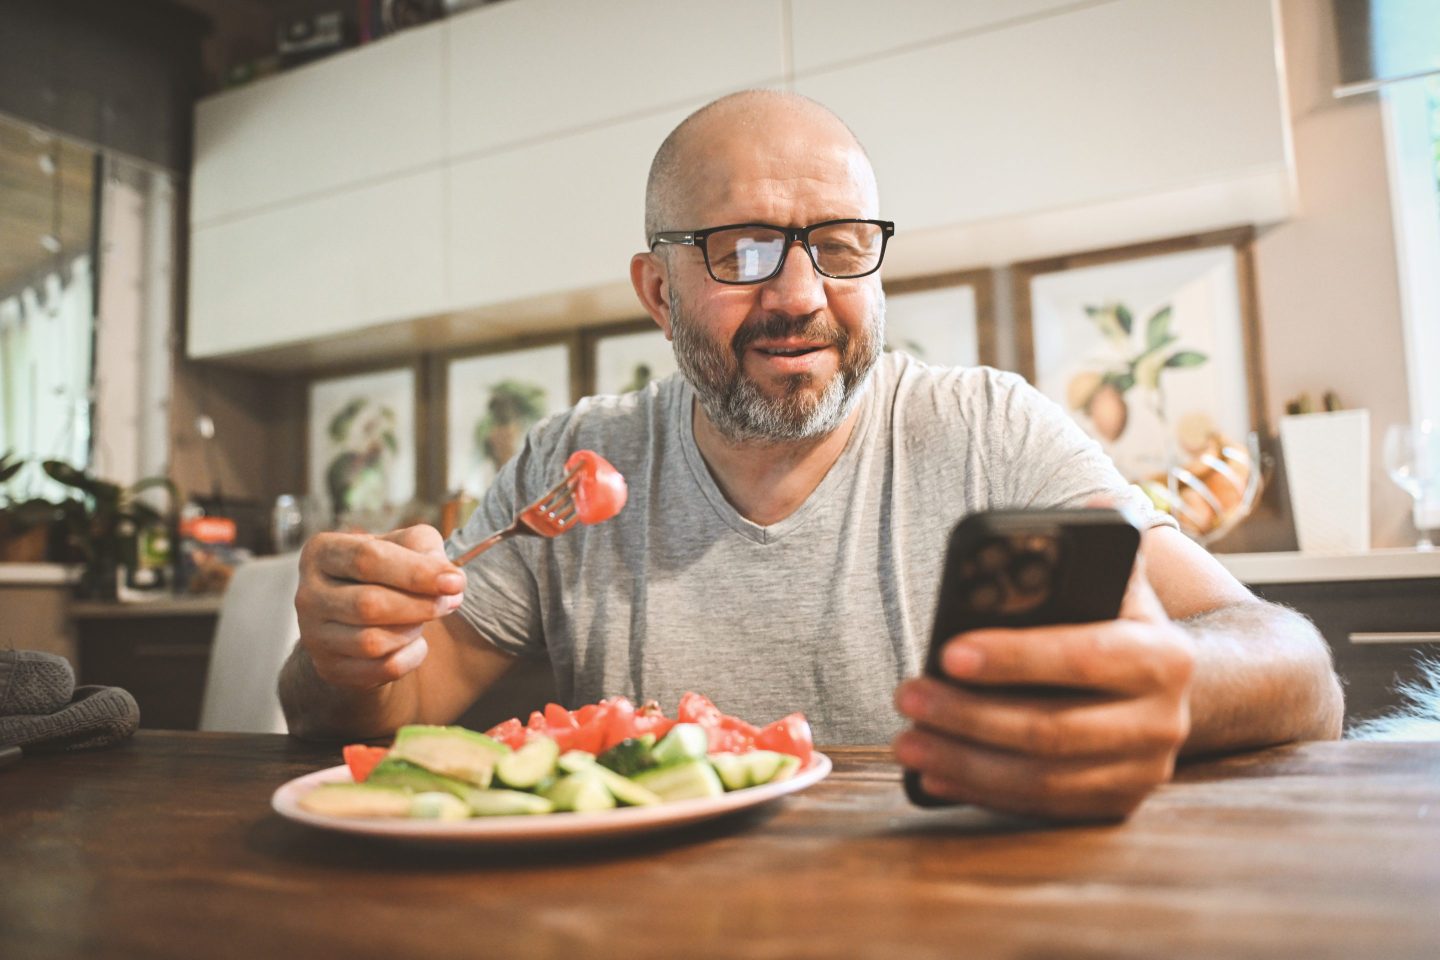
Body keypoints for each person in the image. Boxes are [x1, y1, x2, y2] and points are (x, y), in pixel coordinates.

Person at [280, 90, 1343, 821]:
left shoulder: (992, 430)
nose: (798, 296)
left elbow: (1297, 673)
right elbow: (383, 714)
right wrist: (342, 653)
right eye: (741, 250)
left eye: (837, 245)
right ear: (658, 292)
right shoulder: (574, 460)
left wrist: (1175, 686)